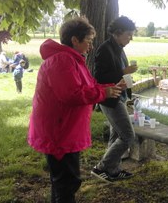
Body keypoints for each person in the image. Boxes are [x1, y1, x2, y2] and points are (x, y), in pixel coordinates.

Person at [27, 17, 124, 203]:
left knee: (62, 181)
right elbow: (71, 94)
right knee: (67, 182)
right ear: (74, 40)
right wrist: (103, 93)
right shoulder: (62, 60)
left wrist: (111, 87)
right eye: (88, 40)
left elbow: (88, 85)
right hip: (59, 132)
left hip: (65, 129)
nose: (90, 46)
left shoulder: (72, 59)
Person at [91, 16, 138, 182]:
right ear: (118, 33)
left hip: (120, 95)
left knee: (115, 135)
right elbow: (99, 77)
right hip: (110, 99)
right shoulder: (105, 49)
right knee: (127, 136)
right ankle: (101, 167)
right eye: (128, 34)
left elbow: (118, 72)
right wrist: (124, 72)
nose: (130, 38)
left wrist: (127, 80)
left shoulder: (118, 47)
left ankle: (113, 170)